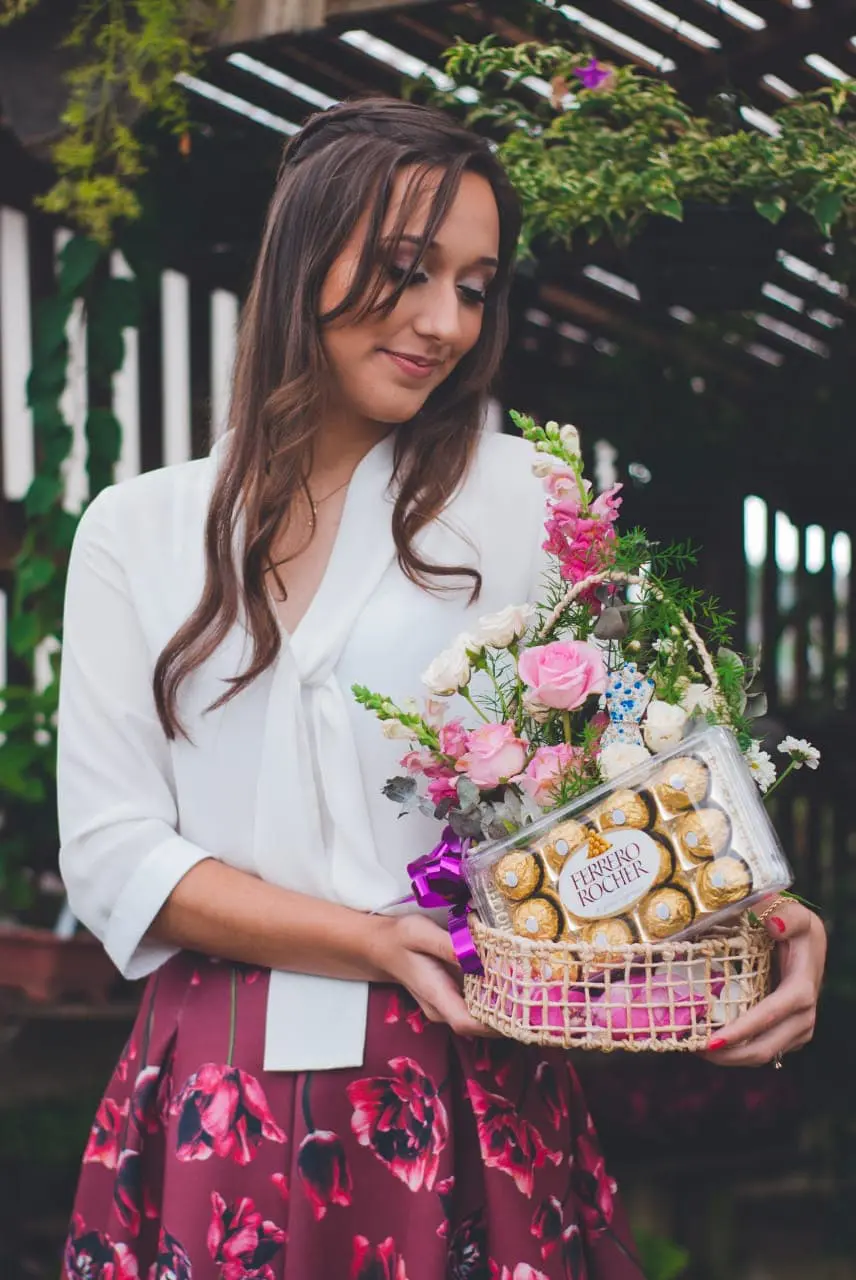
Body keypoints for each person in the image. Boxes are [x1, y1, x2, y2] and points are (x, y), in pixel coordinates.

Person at [57, 98, 826, 1280]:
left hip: (469, 1075)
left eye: (474, 285)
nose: (443, 322)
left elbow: (633, 782)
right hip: (218, 1088)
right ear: (301, 253)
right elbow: (114, 852)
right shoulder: (137, 530)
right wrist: (366, 938)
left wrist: (766, 918)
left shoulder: (525, 497)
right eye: (408, 271)